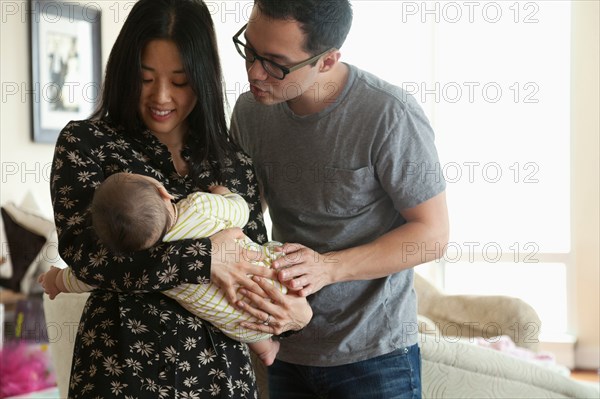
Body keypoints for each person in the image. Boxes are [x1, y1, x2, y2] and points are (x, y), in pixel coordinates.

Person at [45, 0, 312, 397]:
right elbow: (91, 258)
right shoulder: (87, 144)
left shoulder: (233, 160)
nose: (162, 96)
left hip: (222, 378)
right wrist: (206, 258)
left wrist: (293, 315)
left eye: (181, 81)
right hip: (121, 371)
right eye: (145, 77)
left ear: (202, 79)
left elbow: (253, 259)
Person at [229, 0, 449, 397]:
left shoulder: (389, 114)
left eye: (275, 63)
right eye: (250, 49)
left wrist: (327, 268)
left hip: (376, 355)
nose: (253, 72)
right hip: (284, 346)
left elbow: (432, 235)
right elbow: (247, 217)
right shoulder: (249, 111)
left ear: (327, 61)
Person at [40, 172, 286, 365]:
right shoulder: (199, 207)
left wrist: (58, 280)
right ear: (164, 193)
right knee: (274, 250)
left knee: (232, 317)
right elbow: (241, 212)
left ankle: (266, 350)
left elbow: (89, 277)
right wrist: (224, 193)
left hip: (243, 326)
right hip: (274, 282)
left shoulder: (143, 262)